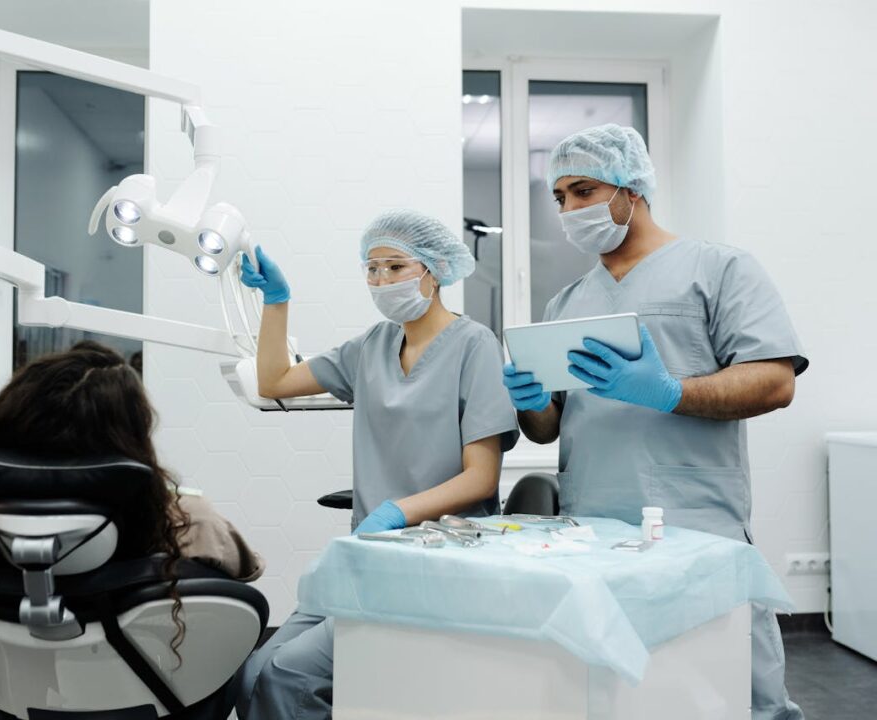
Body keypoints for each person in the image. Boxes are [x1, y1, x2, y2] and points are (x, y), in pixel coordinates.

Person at [502, 124, 806, 720]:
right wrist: (529, 400)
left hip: (695, 522)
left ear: (631, 187)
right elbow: (547, 429)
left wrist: (668, 392)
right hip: (591, 530)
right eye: (560, 198)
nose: (569, 210)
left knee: (734, 692)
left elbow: (776, 381)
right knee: (618, 695)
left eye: (583, 190)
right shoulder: (565, 303)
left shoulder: (719, 270)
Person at [236, 209, 519, 720]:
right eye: (372, 268)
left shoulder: (474, 346)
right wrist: (276, 302)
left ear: (434, 270)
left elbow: (482, 477)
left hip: (436, 559)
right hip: (367, 556)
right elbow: (274, 381)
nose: (381, 280)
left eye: (395, 267)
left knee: (288, 674)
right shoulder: (372, 346)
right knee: (254, 669)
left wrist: (396, 511)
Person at [0, 341, 263, 654]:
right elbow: (245, 571)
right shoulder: (187, 519)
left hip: (25, 696)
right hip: (152, 688)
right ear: (129, 438)